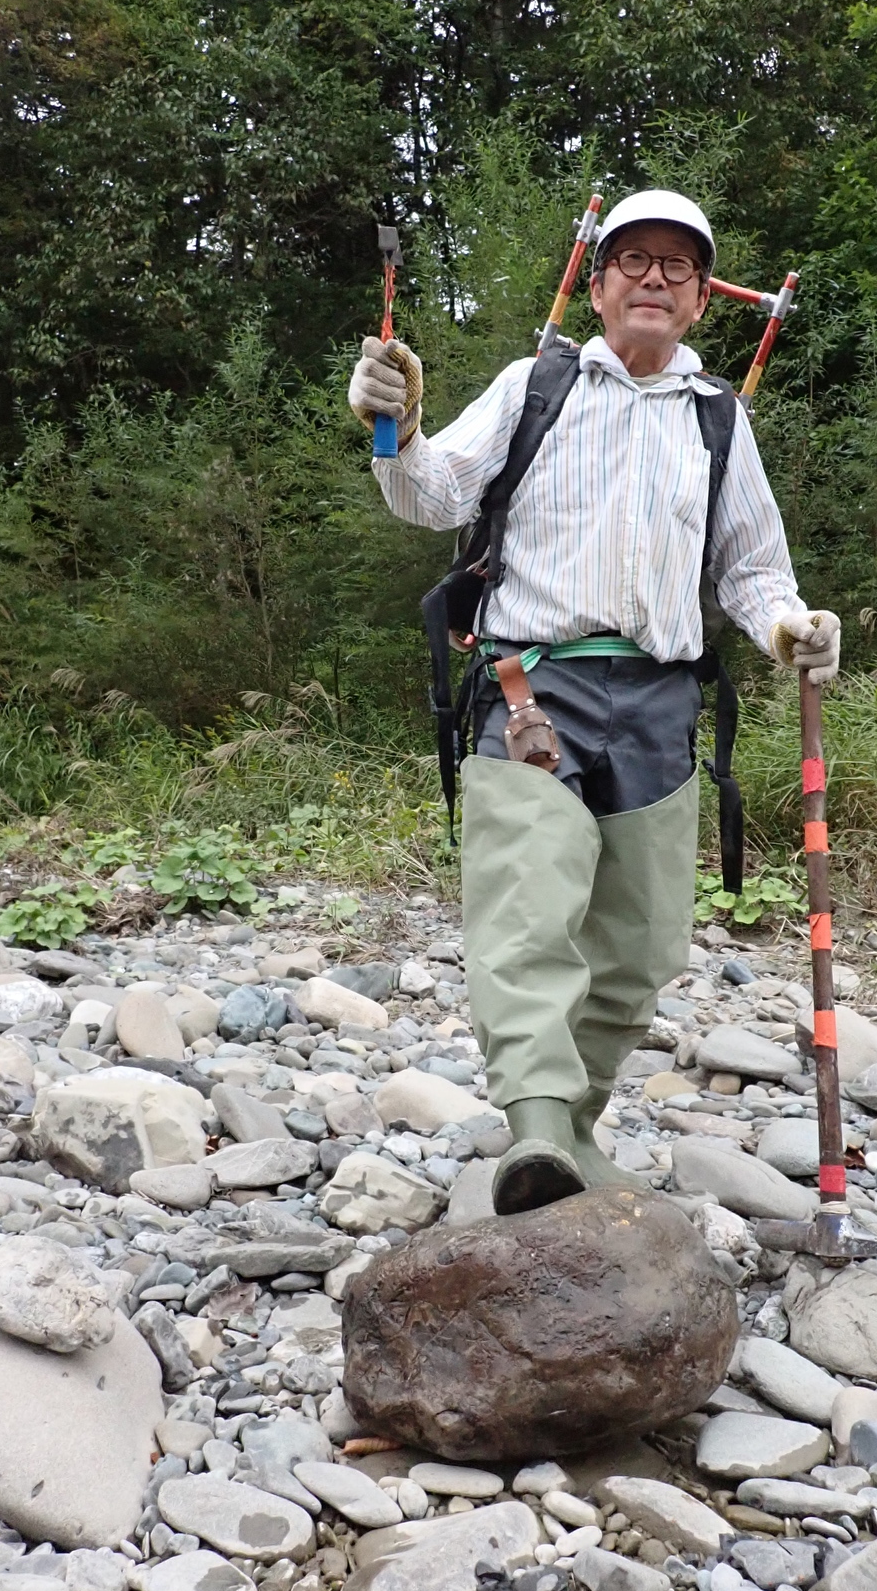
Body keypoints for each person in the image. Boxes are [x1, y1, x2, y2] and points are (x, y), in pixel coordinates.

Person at [347, 190, 840, 1214]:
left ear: (702, 300)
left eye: (677, 266)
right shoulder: (538, 384)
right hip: (537, 688)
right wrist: (394, 426)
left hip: (663, 699)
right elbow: (433, 495)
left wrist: (792, 628)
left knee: (643, 943)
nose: (653, 278)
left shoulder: (718, 421)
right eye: (633, 261)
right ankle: (532, 1126)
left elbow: (753, 570)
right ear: (603, 284)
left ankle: (572, 1136)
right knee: (530, 907)